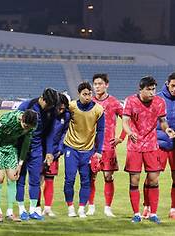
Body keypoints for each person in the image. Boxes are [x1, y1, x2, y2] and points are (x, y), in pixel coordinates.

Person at [124, 76, 175, 224]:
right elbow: (125, 121)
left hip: (152, 145)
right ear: (141, 89)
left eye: (153, 89)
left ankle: (153, 213)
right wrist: (129, 132)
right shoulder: (131, 101)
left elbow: (163, 121)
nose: (152, 92)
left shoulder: (159, 102)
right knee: (135, 180)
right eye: (149, 89)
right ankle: (136, 213)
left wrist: (167, 130)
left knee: (153, 179)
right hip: (134, 146)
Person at [16, 88, 59, 220]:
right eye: (49, 105)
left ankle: (34, 210)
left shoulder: (51, 111)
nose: (50, 108)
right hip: (21, 147)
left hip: (37, 149)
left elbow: (51, 132)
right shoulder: (27, 106)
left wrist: (50, 152)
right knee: (20, 179)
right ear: (42, 99)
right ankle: (21, 209)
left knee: (35, 179)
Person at [62, 82, 105, 218]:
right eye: (84, 94)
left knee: (85, 180)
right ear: (79, 94)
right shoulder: (72, 107)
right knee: (69, 179)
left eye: (89, 94)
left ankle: (81, 208)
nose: (87, 96)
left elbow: (101, 130)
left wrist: (99, 151)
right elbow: (63, 125)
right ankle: (70, 208)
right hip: (71, 148)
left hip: (87, 150)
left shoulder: (98, 109)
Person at [0, 109, 38, 222]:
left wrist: (20, 163)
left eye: (28, 128)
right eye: (25, 126)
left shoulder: (31, 125)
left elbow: (26, 143)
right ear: (22, 119)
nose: (26, 129)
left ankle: (10, 212)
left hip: (11, 149)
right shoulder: (7, 119)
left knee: (13, 178)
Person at [90, 73, 125, 217]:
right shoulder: (89, 101)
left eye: (100, 84)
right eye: (95, 84)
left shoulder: (114, 102)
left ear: (106, 85)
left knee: (108, 176)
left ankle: (107, 208)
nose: (97, 87)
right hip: (91, 146)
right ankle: (90, 206)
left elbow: (127, 121)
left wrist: (121, 138)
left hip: (108, 146)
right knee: (90, 176)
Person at [42, 93, 70, 217]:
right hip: (41, 151)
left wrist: (59, 150)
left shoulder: (66, 116)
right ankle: (36, 207)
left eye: (63, 108)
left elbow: (64, 134)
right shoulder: (47, 114)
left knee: (50, 179)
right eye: (59, 108)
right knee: (37, 180)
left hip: (55, 153)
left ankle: (47, 208)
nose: (61, 111)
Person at [157, 72, 175, 219]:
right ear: (168, 83)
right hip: (160, 143)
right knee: (152, 177)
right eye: (173, 85)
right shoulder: (157, 98)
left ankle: (173, 209)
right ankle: (148, 207)